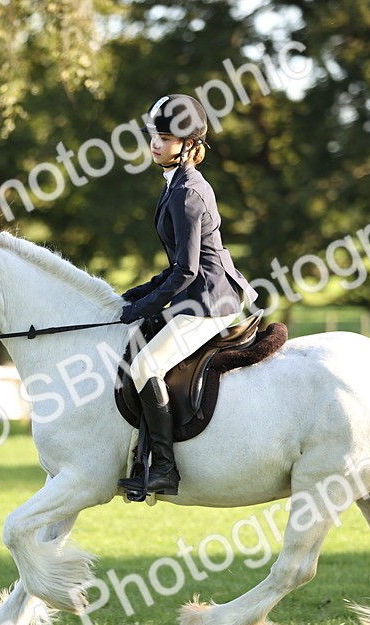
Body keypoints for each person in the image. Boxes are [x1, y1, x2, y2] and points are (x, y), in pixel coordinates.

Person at [117, 94, 258, 497]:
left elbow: (187, 271)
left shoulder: (187, 193)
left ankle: (164, 469)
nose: (156, 143)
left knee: (145, 368)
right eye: (154, 136)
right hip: (194, 294)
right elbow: (177, 263)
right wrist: (138, 293)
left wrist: (146, 306)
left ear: (189, 144)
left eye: (166, 137)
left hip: (209, 302)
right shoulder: (175, 185)